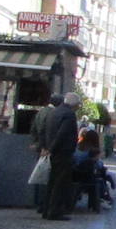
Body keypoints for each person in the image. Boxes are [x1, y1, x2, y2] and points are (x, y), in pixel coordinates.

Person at [42, 92, 79, 220]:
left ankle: (46, 209)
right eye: (78, 104)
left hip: (53, 152)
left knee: (52, 182)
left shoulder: (54, 112)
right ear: (74, 104)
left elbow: (45, 130)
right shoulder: (69, 115)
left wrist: (47, 148)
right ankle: (54, 211)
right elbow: (62, 134)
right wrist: (52, 148)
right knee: (60, 183)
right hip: (63, 153)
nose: (78, 107)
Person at [28, 92, 62, 211]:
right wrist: (44, 147)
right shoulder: (53, 114)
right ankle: (44, 204)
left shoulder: (41, 112)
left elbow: (33, 129)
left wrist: (35, 143)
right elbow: (45, 130)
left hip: (40, 147)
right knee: (47, 176)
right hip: (47, 149)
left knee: (40, 174)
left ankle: (40, 202)